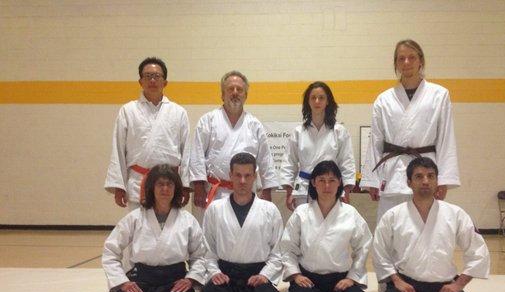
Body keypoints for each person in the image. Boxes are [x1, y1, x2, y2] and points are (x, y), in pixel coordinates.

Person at [372, 157, 494, 292]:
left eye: (431, 176)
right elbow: (380, 251)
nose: (425, 181)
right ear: (409, 182)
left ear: (437, 181)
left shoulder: (455, 214)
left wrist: (459, 284)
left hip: (443, 290)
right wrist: (397, 281)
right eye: (419, 177)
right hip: (408, 288)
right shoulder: (393, 215)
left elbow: (477, 250)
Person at [90, 165, 206, 292]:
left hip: (173, 283)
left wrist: (190, 279)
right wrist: (122, 282)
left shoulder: (187, 220)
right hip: (142, 282)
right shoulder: (135, 217)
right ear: (151, 188)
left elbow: (200, 255)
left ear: (176, 189)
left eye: (170, 184)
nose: (165, 189)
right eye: (160, 184)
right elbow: (110, 250)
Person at [360, 39, 460, 221]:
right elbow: (376, 141)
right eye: (401, 58)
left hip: (425, 174)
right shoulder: (383, 99)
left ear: (421, 61)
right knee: (391, 227)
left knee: (425, 228)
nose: (406, 63)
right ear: (396, 64)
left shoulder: (439, 95)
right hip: (392, 175)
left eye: (412, 57)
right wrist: (372, 180)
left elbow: (446, 138)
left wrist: (443, 179)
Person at [192, 153, 283, 292]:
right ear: (230, 175)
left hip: (256, 276)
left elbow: (277, 253)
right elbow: (208, 251)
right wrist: (214, 273)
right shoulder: (215, 209)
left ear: (255, 177)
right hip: (225, 276)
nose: (242, 181)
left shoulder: (270, 210)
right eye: (238, 175)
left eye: (247, 175)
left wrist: (264, 276)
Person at [280, 160, 373, 292]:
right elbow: (288, 248)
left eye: (332, 180)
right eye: (321, 180)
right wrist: (296, 276)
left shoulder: (350, 213)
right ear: (314, 183)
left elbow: (363, 246)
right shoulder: (301, 213)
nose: (327, 185)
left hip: (340, 280)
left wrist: (351, 278)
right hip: (308, 280)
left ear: (339, 183)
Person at [104, 57, 191, 209]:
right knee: (140, 230)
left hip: (169, 185)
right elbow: (118, 149)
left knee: (170, 230)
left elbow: (187, 151)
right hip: (139, 185)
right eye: (148, 76)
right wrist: (119, 185)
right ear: (140, 81)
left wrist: (185, 185)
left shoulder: (178, 112)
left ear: (165, 82)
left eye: (157, 76)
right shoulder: (128, 110)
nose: (152, 80)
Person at [188, 70, 278, 210]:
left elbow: (265, 159)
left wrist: (267, 191)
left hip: (247, 193)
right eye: (230, 89)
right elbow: (196, 155)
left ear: (245, 96)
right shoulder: (208, 121)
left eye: (239, 89)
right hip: (215, 192)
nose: (235, 92)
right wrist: (199, 186)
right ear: (222, 95)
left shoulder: (255, 125)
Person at [279, 81, 356, 210]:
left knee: (330, 228)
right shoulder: (299, 132)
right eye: (313, 98)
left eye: (321, 98)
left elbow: (346, 162)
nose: (317, 101)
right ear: (308, 102)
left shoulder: (339, 131)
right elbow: (289, 162)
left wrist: (346, 191)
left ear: (327, 101)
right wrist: (289, 191)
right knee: (304, 227)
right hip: (304, 190)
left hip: (329, 188)